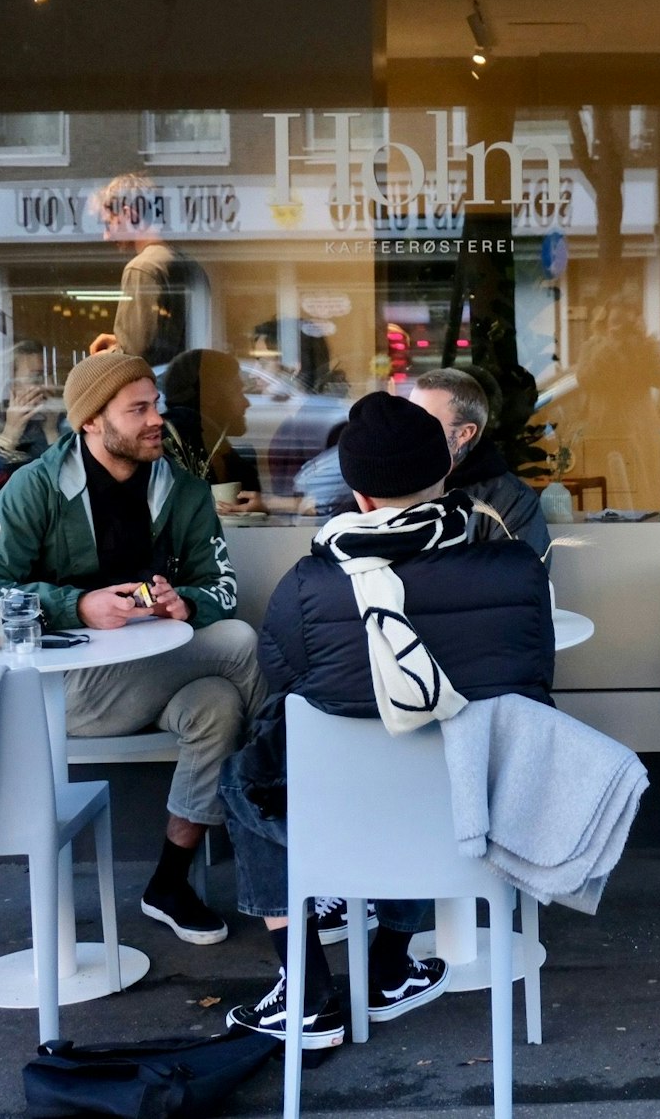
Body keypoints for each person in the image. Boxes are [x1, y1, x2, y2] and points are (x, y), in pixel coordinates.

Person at [219, 391, 555, 1048]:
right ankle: (390, 964)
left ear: (359, 495)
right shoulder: (519, 573)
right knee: (430, 766)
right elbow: (535, 681)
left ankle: (306, 991)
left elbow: (285, 687)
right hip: (481, 813)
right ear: (445, 472)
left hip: (353, 819)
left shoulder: (309, 586)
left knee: (244, 775)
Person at [0, 350, 262, 947]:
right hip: (68, 689)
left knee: (218, 703)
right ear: (91, 420)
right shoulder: (36, 486)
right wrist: (77, 606)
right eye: (137, 409)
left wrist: (185, 603)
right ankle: (282, 828)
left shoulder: (183, 490)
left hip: (155, 676)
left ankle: (169, 883)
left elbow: (221, 587)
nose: (157, 419)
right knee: (239, 643)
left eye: (157, 405)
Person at [409, 367, 552, 557]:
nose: (409, 430)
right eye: (408, 418)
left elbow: (523, 572)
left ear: (464, 433)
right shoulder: (391, 482)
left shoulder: (511, 500)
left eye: (426, 422)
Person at [87, 173, 214, 367]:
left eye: (108, 222)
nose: (106, 235)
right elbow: (167, 344)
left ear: (129, 215)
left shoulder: (142, 268)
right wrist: (120, 343)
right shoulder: (191, 266)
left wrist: (108, 356)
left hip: (157, 385)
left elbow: (137, 359)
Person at [160, 348, 267, 515]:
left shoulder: (215, 447)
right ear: (209, 395)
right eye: (238, 391)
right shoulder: (171, 448)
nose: (247, 403)